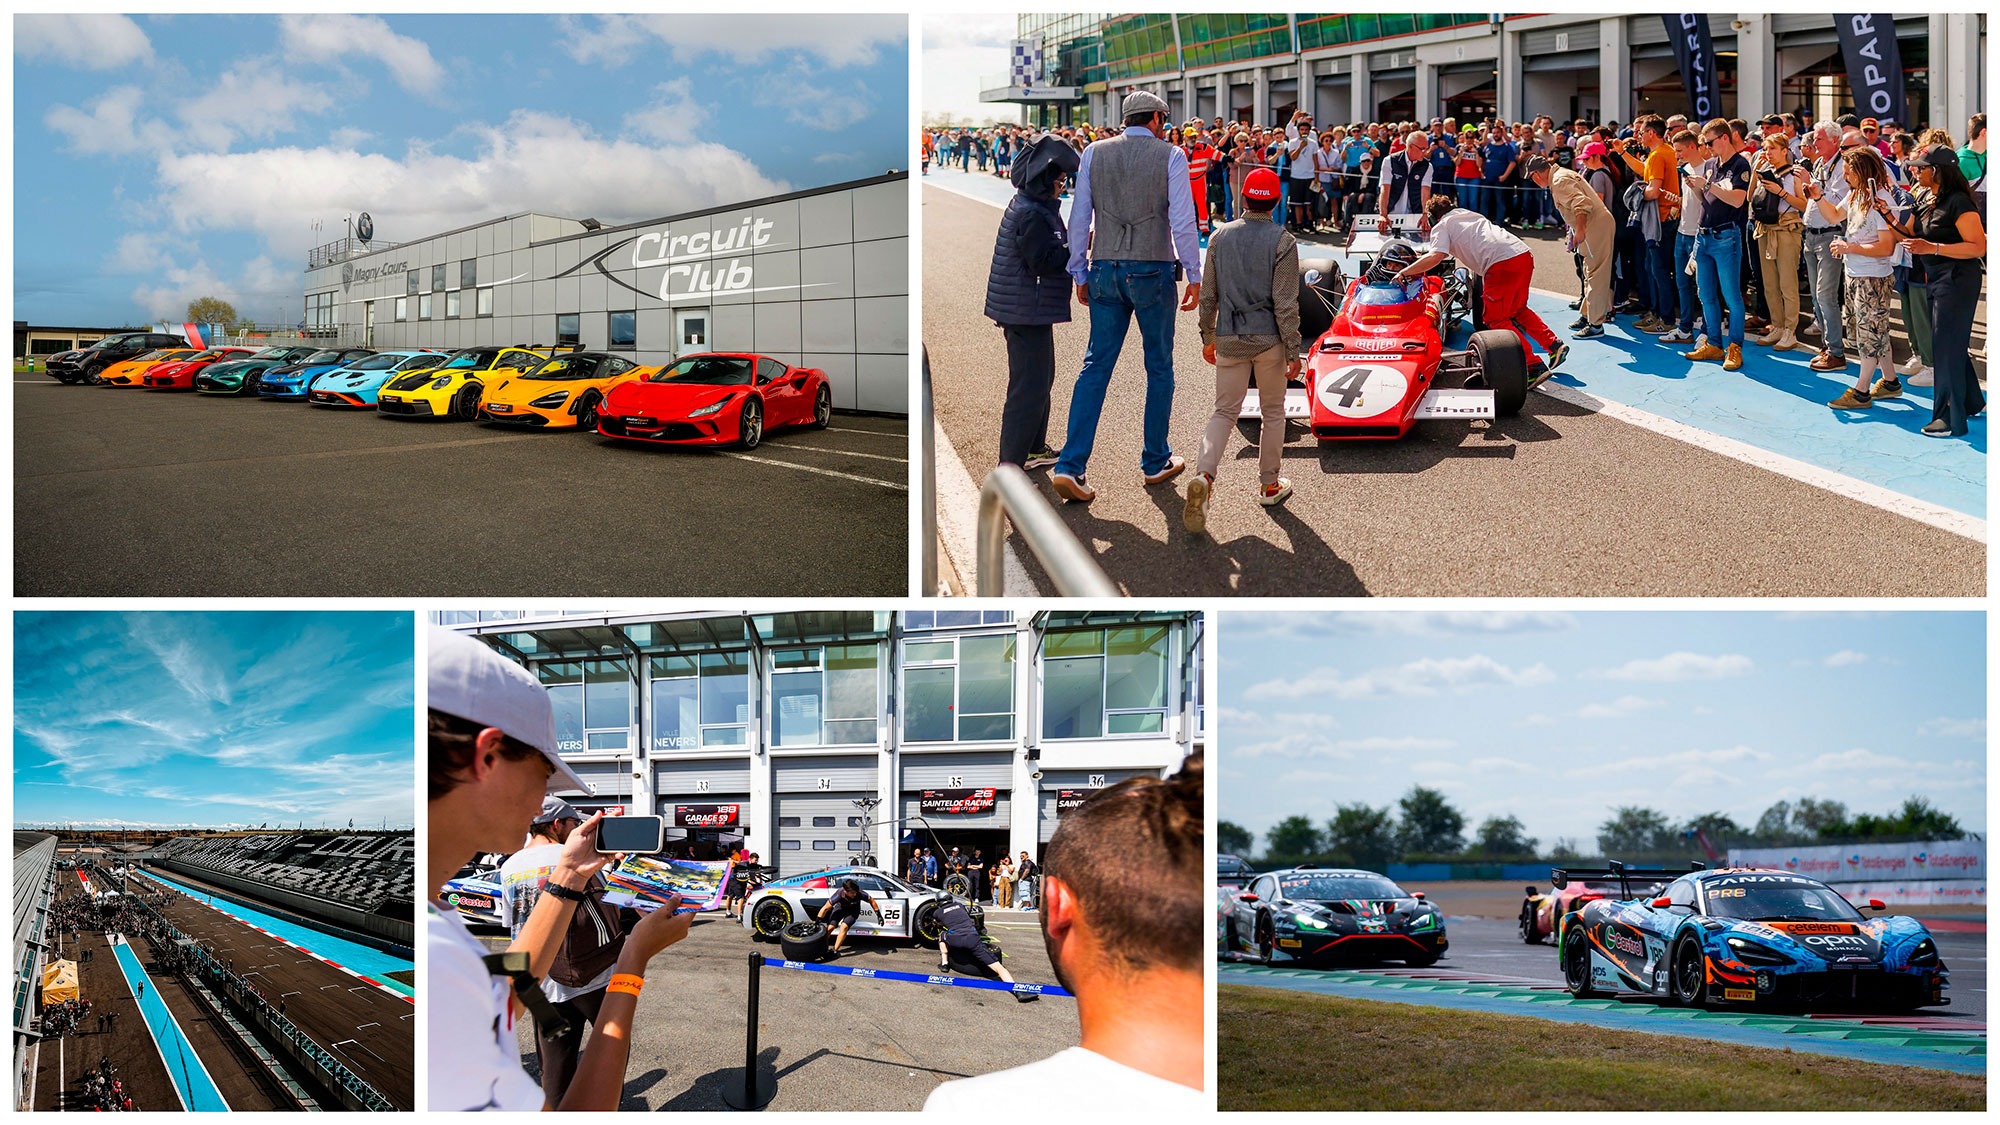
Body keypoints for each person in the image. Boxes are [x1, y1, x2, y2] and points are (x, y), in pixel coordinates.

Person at [427, 627, 691, 1112]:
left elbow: (495, 991)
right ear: (487, 756)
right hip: (591, 976)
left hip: (548, 984)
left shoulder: (438, 914)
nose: (539, 801)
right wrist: (631, 962)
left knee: (555, 1058)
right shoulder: (436, 958)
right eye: (543, 774)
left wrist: (568, 877)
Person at [923, 755, 1205, 1112]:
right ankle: (1016, 989)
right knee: (996, 966)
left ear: (1056, 907)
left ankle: (957, 966)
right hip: (974, 942)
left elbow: (941, 929)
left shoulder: (967, 1107)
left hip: (956, 943)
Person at [1051, 89, 1202, 504]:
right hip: (1152, 268)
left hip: (1103, 268)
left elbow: (1079, 215)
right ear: (1154, 118)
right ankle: (1155, 460)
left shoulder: (1095, 153)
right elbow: (1182, 220)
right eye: (1163, 119)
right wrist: (1193, 272)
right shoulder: (1170, 155)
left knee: (1095, 366)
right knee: (1159, 366)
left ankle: (1070, 464)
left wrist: (1078, 269)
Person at [1184, 166, 1300, 534]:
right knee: (1273, 412)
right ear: (1276, 201)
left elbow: (1208, 296)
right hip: (1269, 340)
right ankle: (1269, 484)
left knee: (1223, 412)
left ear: (1243, 199)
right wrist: (1294, 350)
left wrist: (1207, 337)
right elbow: (1286, 303)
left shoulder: (1219, 237)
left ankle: (1204, 473)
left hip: (1229, 336)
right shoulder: (1284, 241)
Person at [498, 797, 630, 1106]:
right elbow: (610, 903)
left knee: (554, 1067)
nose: (579, 831)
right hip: (593, 974)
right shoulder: (577, 857)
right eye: (574, 824)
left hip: (538, 982)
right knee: (612, 1051)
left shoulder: (509, 866)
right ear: (558, 824)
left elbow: (511, 924)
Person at [985, 134, 1080, 472]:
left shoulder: (1031, 205)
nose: (1062, 185)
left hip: (1026, 309)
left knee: (1040, 381)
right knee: (1027, 388)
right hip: (1025, 311)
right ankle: (1010, 463)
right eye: (1060, 179)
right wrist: (1077, 250)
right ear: (1044, 177)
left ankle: (1034, 447)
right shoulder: (1033, 214)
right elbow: (1042, 261)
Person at [1400, 196, 1568, 377]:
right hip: (1522, 253)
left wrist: (1404, 273)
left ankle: (1533, 366)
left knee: (1494, 318)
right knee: (1517, 309)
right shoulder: (1469, 215)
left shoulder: (1442, 226)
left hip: (1500, 263)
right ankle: (1553, 345)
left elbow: (1435, 257)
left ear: (1433, 218)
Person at [1896, 144, 1987, 438]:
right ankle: (1972, 401)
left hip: (1958, 279)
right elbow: (1915, 236)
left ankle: (1948, 418)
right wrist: (1887, 215)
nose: (1915, 170)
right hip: (1937, 278)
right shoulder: (1928, 198)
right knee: (1950, 344)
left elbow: (1979, 246)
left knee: (1945, 346)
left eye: (1921, 167)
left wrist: (1933, 248)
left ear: (1936, 171)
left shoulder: (1960, 202)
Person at [1825, 147, 1901, 411]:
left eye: (1848, 171)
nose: (1845, 176)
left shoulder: (1880, 199)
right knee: (1873, 332)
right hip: (1856, 273)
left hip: (1873, 277)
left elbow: (1886, 247)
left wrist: (1849, 247)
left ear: (1862, 171)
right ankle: (1890, 382)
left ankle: (1861, 391)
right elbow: (1835, 215)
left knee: (1870, 335)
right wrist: (1814, 195)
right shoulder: (1856, 194)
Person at [1682, 120, 1752, 371]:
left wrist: (1707, 185)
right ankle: (1713, 343)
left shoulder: (1740, 163)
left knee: (1731, 295)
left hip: (1725, 236)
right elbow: (1709, 199)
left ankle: (1735, 346)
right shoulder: (1712, 164)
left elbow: (1737, 200)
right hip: (1704, 235)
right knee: (1705, 293)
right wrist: (1698, 188)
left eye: (1709, 142)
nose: (1707, 148)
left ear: (1724, 138)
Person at [1529, 155, 1610, 338]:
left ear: (1536, 174)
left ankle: (1595, 324)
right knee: (1590, 272)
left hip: (1594, 226)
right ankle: (1587, 315)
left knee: (1596, 274)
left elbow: (1581, 204)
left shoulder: (1559, 181)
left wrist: (1579, 229)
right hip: (1594, 224)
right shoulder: (1561, 175)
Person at [1749, 134, 1807, 350]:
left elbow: (1804, 205)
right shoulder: (1766, 172)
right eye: (1766, 148)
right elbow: (1750, 199)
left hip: (1787, 231)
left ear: (1785, 150)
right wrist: (1757, 175)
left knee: (1788, 284)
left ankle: (1791, 330)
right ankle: (1778, 325)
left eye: (1772, 148)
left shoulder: (1794, 175)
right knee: (1769, 284)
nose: (1768, 152)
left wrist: (1781, 192)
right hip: (1765, 229)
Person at [1799, 123, 1850, 371]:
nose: (1814, 143)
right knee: (1818, 299)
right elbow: (1816, 198)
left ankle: (1836, 352)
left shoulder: (1842, 166)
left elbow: (1838, 206)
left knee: (1825, 295)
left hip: (1830, 235)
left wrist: (1814, 188)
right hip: (1811, 234)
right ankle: (1828, 346)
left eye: (1818, 139)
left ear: (1834, 141)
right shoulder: (1821, 163)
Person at [933, 896, 1034, 1001]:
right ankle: (1018, 992)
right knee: (999, 967)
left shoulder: (937, 912)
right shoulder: (960, 905)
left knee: (942, 936)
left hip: (956, 939)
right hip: (972, 939)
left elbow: (938, 923)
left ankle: (944, 964)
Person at [815, 878, 885, 955]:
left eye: (855, 892)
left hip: (853, 911)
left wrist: (879, 915)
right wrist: (818, 921)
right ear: (845, 891)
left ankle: (834, 950)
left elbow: (872, 901)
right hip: (840, 909)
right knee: (830, 928)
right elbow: (825, 908)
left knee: (844, 927)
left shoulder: (860, 893)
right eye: (852, 893)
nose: (854, 894)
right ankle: (821, 948)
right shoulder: (839, 894)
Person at [1379, 130, 1433, 218]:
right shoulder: (1389, 161)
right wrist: (1383, 215)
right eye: (1422, 149)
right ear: (1411, 147)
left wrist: (1425, 214)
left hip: (1415, 214)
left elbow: (1425, 192)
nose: (1425, 152)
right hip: (1391, 212)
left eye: (1427, 149)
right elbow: (1385, 189)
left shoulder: (1427, 166)